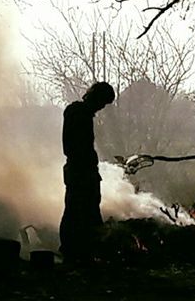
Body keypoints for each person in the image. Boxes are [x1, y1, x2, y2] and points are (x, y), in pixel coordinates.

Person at [59, 82, 115, 262]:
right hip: (81, 171)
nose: (101, 107)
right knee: (80, 210)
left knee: (79, 210)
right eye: (102, 102)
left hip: (80, 170)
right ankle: (77, 251)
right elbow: (77, 147)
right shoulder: (79, 113)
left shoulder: (77, 113)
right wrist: (88, 164)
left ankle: (78, 250)